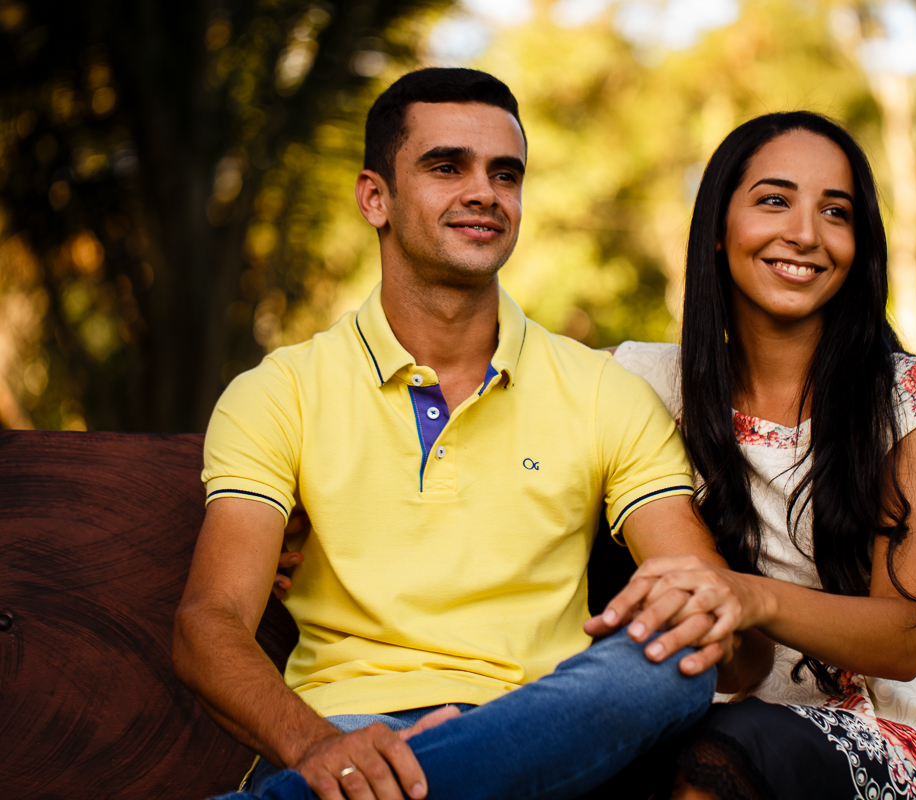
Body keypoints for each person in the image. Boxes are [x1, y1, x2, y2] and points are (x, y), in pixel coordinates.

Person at [173, 67, 772, 800]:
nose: (484, 191)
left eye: (505, 173)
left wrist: (712, 620)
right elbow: (209, 621)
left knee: (668, 659)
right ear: (375, 197)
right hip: (349, 732)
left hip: (545, 732)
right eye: (446, 166)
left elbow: (718, 633)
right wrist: (323, 747)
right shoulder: (280, 393)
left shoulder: (601, 392)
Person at [599, 112, 916, 798]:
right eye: (774, 200)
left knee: (719, 757)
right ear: (715, 229)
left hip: (904, 737)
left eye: (836, 212)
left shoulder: (908, 398)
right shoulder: (642, 382)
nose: (804, 233)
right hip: (726, 722)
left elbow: (905, 635)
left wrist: (747, 595)